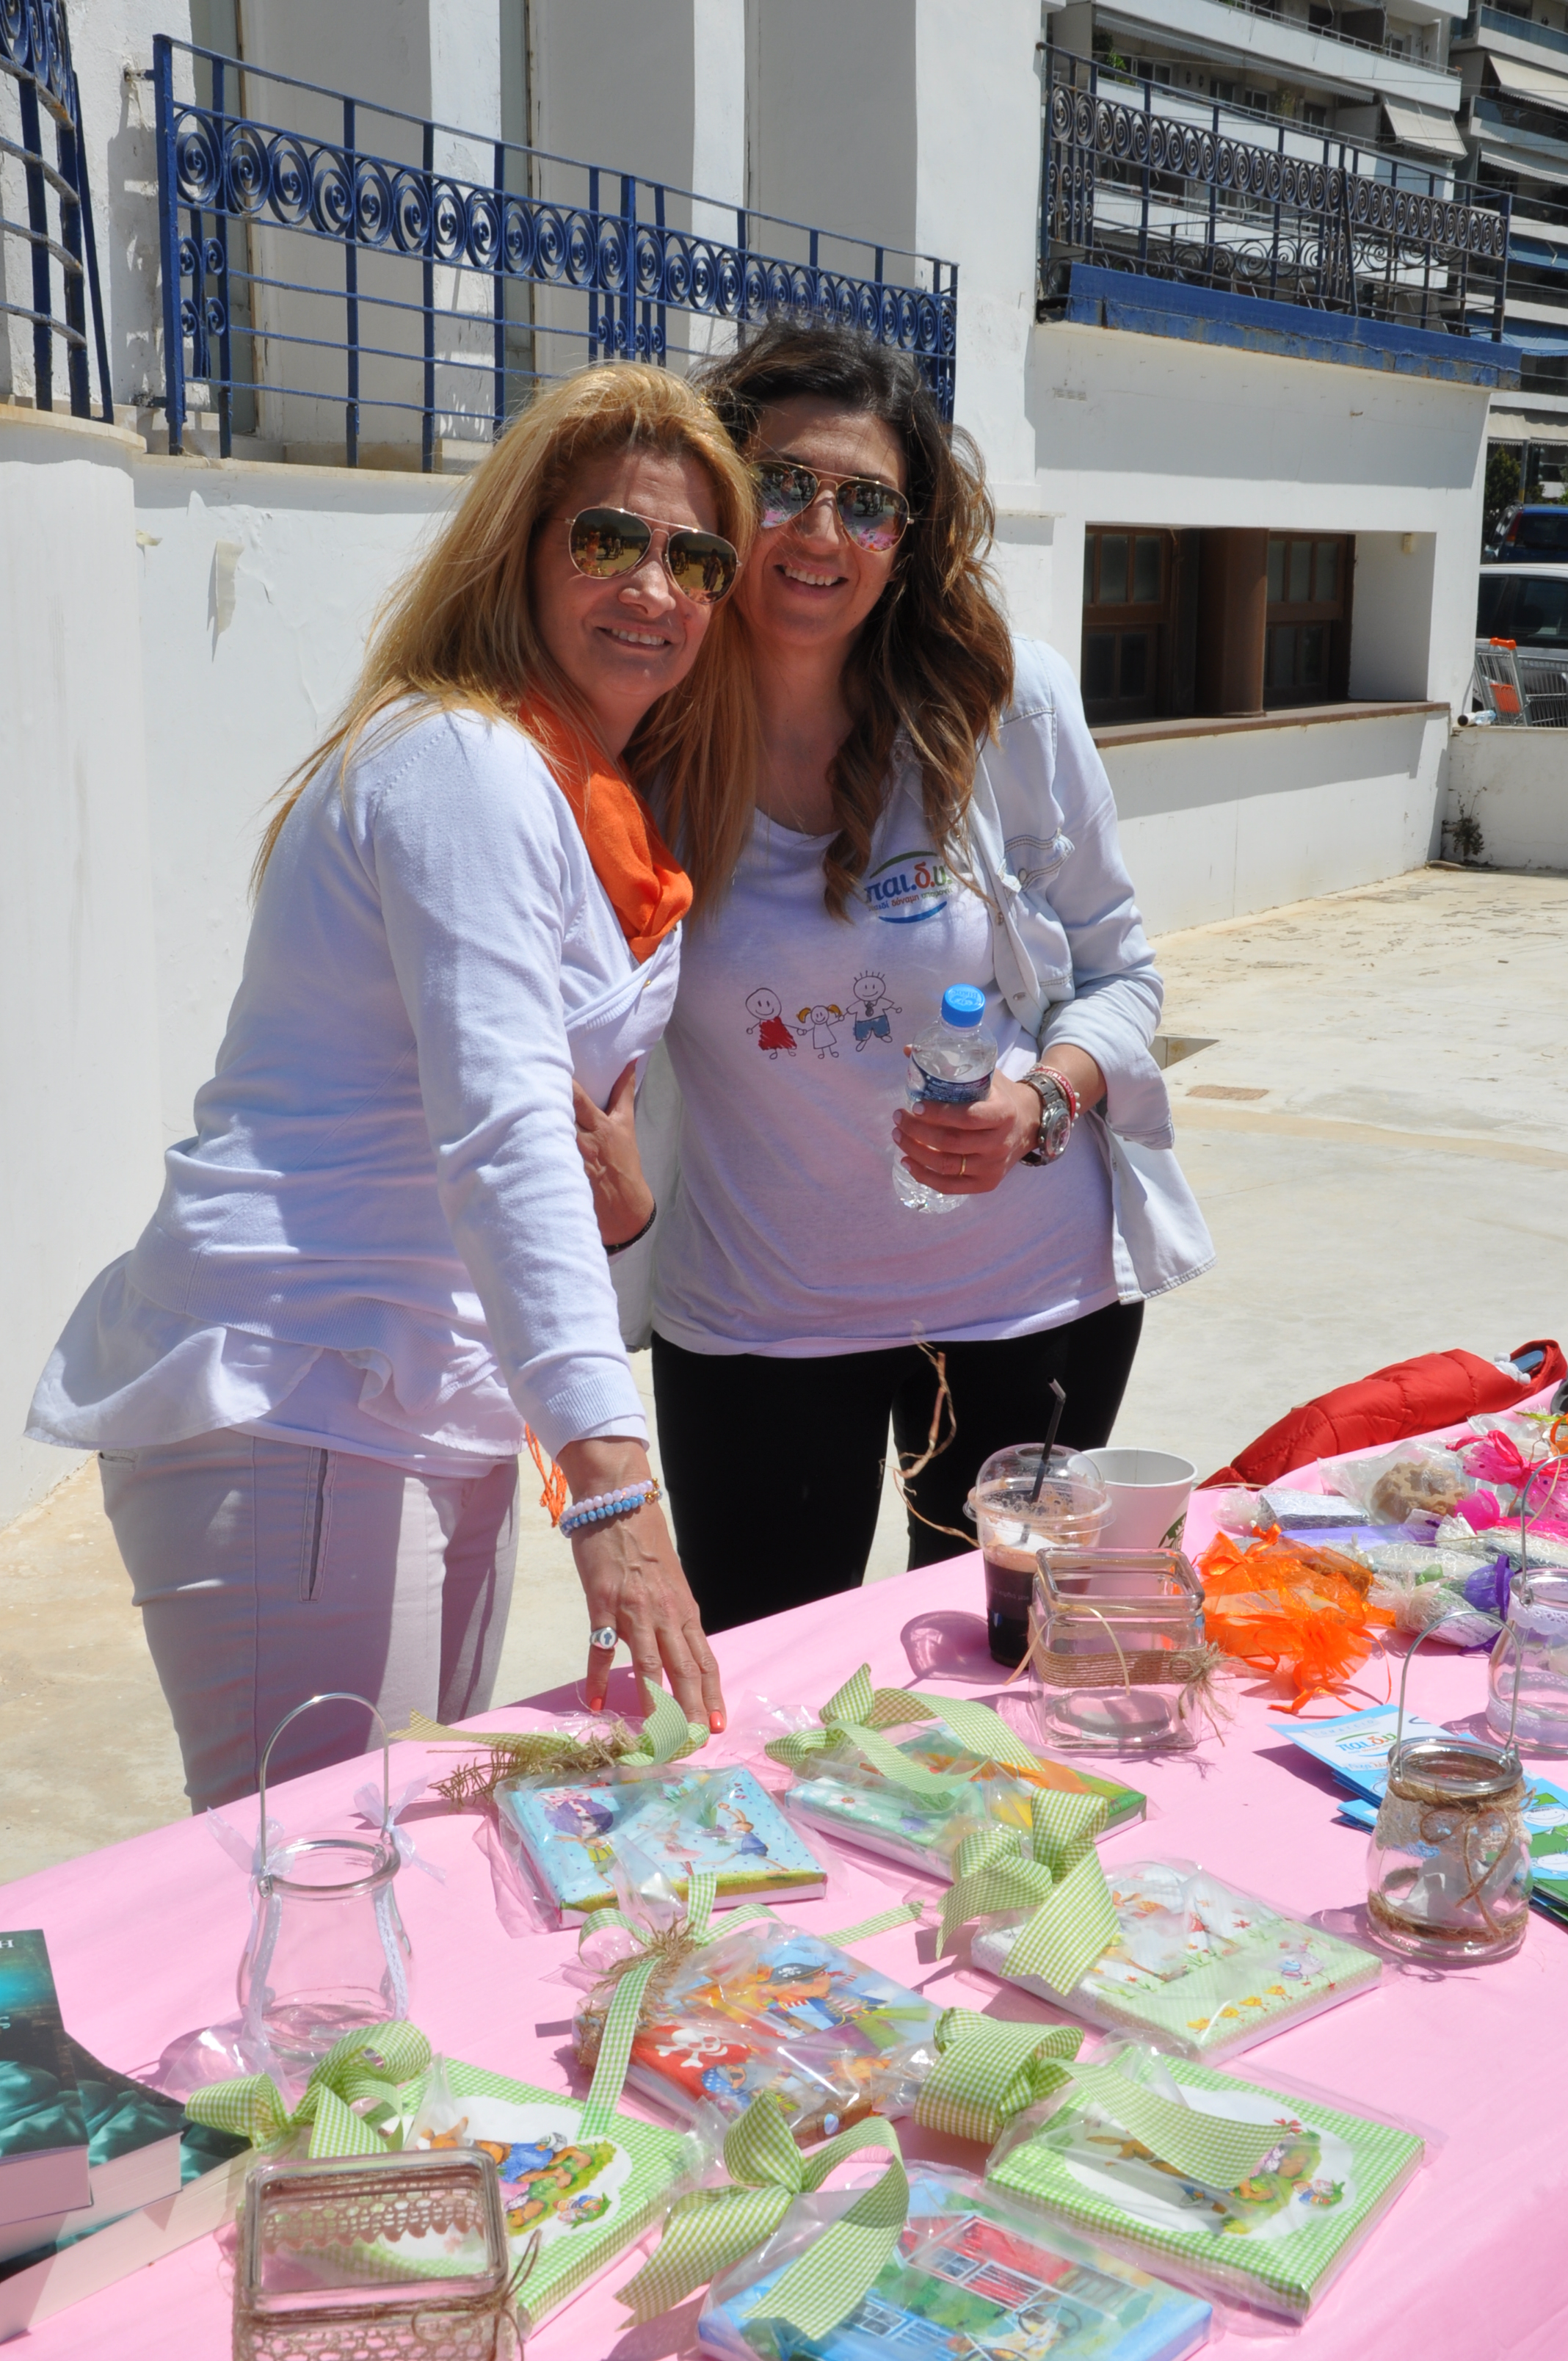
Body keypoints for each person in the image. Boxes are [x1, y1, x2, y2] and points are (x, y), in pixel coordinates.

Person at [27, 363, 754, 1807]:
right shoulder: (466, 762)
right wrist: (616, 1486)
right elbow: (501, 1127)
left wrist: (621, 1202)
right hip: (308, 1390)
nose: (653, 587)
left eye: (695, 559)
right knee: (320, 1876)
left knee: (402, 1854)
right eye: (608, 538)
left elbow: (547, 1124)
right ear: (518, 551)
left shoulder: (594, 798)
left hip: (431, 1395)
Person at [633, 324, 1213, 1629]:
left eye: (868, 503)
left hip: (1031, 1305)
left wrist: (1044, 1102)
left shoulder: (1005, 705)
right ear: (721, 493)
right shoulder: (643, 727)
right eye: (782, 484)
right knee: (773, 1691)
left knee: (1004, 1671)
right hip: (759, 1323)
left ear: (912, 536)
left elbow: (1121, 975)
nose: (819, 532)